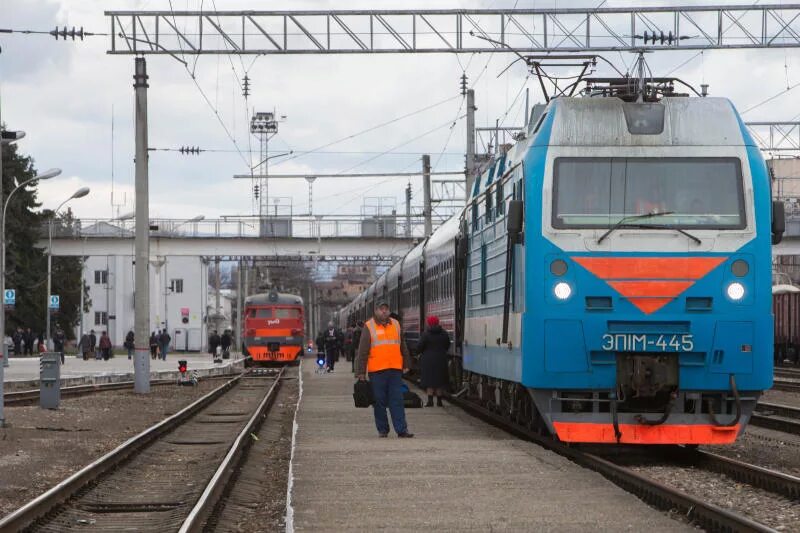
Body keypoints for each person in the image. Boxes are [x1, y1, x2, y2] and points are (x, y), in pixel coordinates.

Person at [355, 301, 414, 438]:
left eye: (386, 309)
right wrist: (361, 373)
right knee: (379, 401)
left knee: (397, 400)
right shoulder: (369, 326)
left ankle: (401, 430)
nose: (384, 312)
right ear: (376, 311)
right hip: (377, 370)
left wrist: (406, 363)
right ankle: (383, 429)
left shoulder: (396, 325)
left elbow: (402, 345)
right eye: (381, 309)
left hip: (394, 369)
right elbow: (363, 351)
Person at [418, 316, 451, 407]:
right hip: (441, 359)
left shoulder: (426, 334)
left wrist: (423, 352)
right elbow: (447, 345)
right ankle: (439, 401)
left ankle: (430, 401)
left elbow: (420, 346)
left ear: (429, 323)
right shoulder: (444, 333)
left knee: (429, 381)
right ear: (438, 322)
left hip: (428, 360)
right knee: (439, 381)